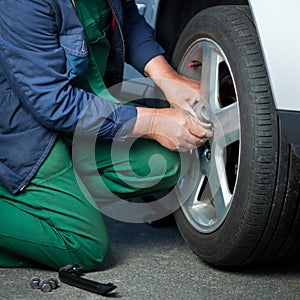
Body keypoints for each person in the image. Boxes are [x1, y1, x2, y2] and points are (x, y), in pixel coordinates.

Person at [0, 0, 212, 271]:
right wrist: (155, 123)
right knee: (85, 248)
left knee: (168, 163)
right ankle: (32, 202)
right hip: (21, 133)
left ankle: (58, 199)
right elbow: (53, 103)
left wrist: (167, 77)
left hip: (80, 112)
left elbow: (128, 18)